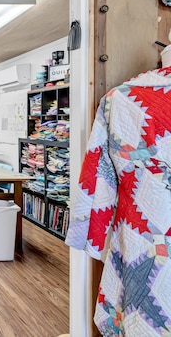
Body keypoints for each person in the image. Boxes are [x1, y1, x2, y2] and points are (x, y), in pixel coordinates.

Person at [65, 49, 171, 336]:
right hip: (142, 239)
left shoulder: (121, 99)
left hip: (142, 238)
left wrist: (92, 235)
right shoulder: (119, 99)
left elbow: (98, 183)